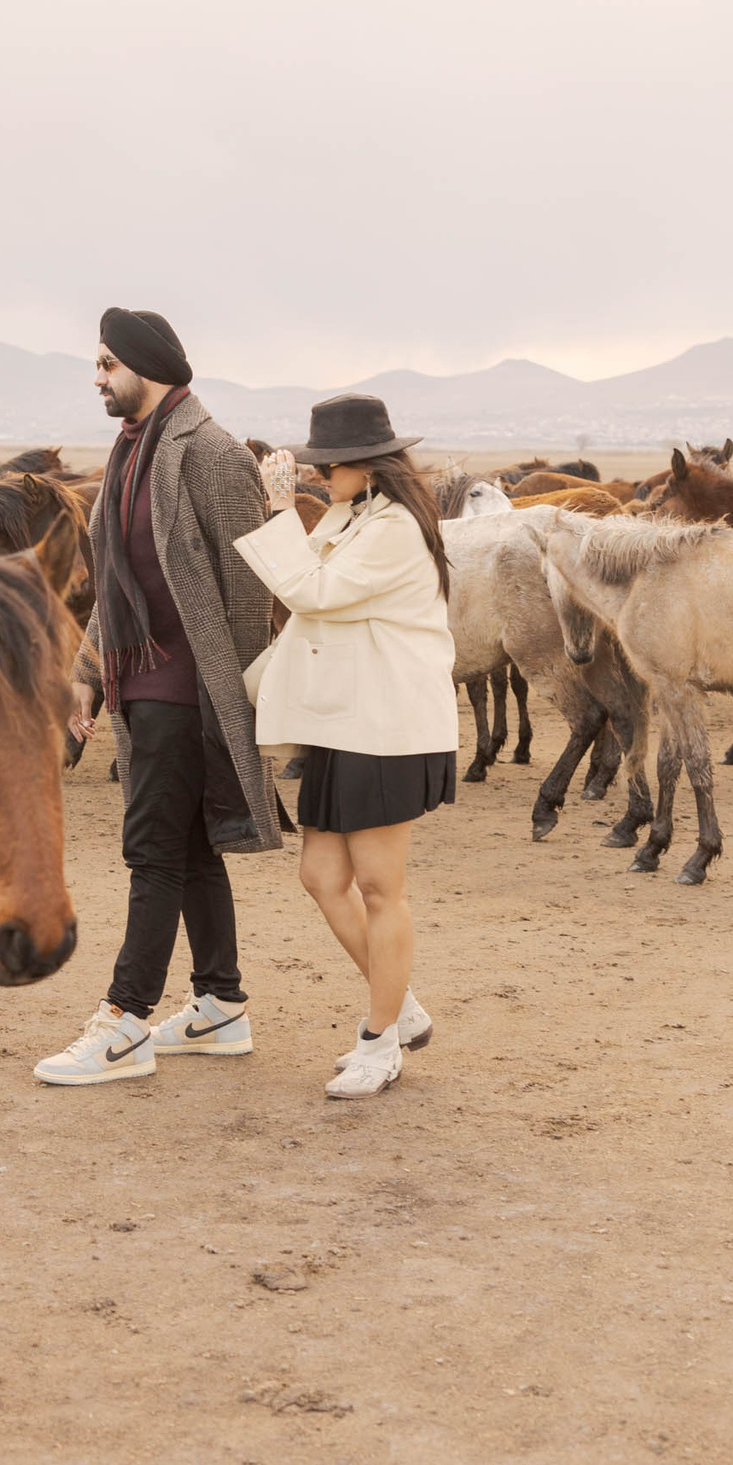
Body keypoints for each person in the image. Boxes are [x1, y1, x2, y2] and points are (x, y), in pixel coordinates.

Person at [34, 308, 284, 1087]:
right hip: (138, 684)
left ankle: (125, 1023)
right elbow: (120, 582)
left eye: (108, 363)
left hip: (188, 693)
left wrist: (230, 704)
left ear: (148, 366)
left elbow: (248, 592)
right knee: (191, 851)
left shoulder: (210, 455)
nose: (98, 377)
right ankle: (220, 1006)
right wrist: (86, 670)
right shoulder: (130, 452)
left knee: (151, 852)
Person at [233, 394, 456, 1099]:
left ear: (366, 464)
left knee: (381, 888)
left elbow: (310, 593)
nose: (320, 478)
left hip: (386, 727)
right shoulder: (358, 514)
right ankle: (402, 1008)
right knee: (322, 877)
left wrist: (276, 509)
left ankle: (379, 1039)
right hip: (344, 722)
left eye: (328, 467)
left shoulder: (394, 529)